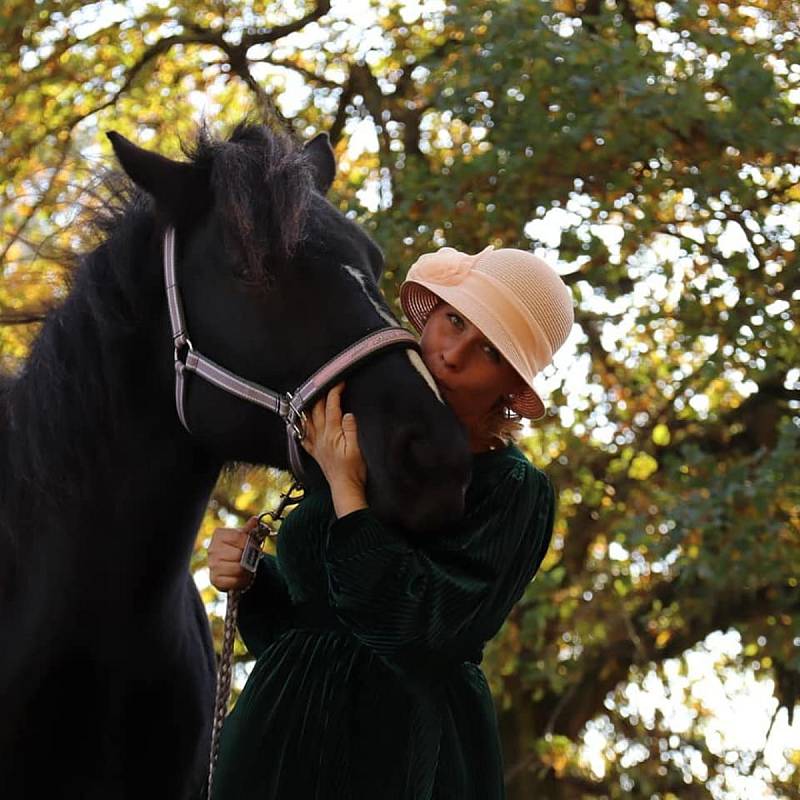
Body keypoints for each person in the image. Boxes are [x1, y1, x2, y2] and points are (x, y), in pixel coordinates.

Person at [207, 244, 574, 799]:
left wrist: (347, 491)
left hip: (399, 755)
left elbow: (420, 634)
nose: (452, 354)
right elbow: (307, 629)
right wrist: (251, 577)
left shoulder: (514, 488)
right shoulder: (359, 438)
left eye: (490, 352)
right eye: (454, 321)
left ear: (510, 386)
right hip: (276, 738)